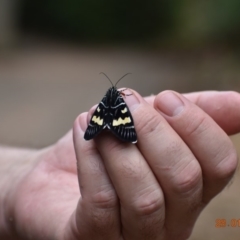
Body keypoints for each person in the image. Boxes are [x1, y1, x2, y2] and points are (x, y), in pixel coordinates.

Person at [0, 90, 239, 240]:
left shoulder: (108, 102)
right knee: (124, 127)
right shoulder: (118, 102)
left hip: (105, 117)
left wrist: (18, 177)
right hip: (118, 120)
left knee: (111, 125)